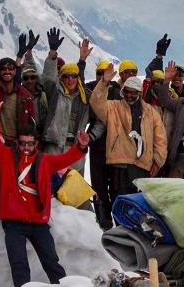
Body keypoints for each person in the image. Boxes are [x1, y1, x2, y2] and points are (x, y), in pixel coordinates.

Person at [0, 92, 89, 287]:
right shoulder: (6, 157)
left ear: (36, 144)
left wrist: (81, 147)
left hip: (38, 222)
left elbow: (67, 159)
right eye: (22, 143)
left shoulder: (45, 161)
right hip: (13, 222)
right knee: (19, 265)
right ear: (17, 143)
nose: (25, 147)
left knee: (52, 264)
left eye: (30, 143)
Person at [90, 65, 168, 203]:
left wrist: (158, 161)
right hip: (119, 166)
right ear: (122, 91)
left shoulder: (150, 112)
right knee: (120, 204)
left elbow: (160, 139)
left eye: (134, 92)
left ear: (139, 93)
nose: (129, 95)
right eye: (127, 91)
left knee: (139, 207)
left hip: (143, 167)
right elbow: (96, 102)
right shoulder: (113, 107)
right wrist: (104, 83)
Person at [42, 27, 104, 174]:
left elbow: (101, 119)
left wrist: (91, 136)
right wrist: (52, 53)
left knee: (73, 193)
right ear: (61, 78)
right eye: (66, 76)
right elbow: (48, 78)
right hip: (53, 149)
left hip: (75, 152)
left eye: (74, 76)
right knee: (50, 191)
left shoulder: (86, 97)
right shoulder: (55, 93)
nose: (70, 79)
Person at [85, 60, 120, 230]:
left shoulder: (118, 91)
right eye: (99, 73)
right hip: (97, 145)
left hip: (115, 146)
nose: (101, 76)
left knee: (115, 186)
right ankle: (103, 223)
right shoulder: (90, 88)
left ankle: (119, 222)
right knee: (98, 186)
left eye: (104, 73)